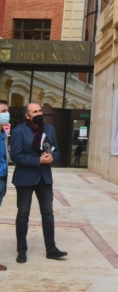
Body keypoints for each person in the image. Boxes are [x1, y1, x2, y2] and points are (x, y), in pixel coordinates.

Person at [10, 102, 67, 263]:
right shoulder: (19, 131)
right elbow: (15, 155)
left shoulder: (50, 129)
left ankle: (51, 249)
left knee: (48, 214)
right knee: (23, 214)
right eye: (35, 111)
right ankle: (21, 250)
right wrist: (38, 160)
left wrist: (51, 158)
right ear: (27, 115)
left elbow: (56, 149)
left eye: (40, 110)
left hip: (45, 178)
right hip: (25, 178)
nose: (39, 113)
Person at [0, 100, 10, 271]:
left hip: (2, 179)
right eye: (2, 111)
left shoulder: (3, 134)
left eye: (7, 111)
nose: (5, 114)